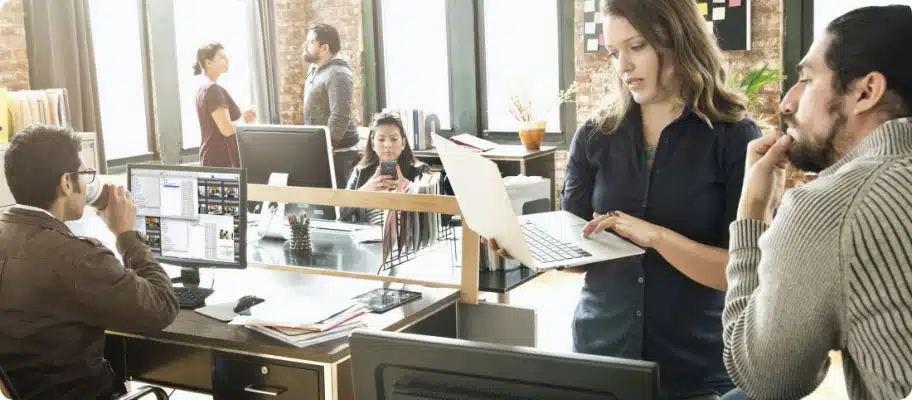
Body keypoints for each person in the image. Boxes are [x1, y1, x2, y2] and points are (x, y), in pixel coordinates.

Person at [487, 0, 760, 397]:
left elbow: (740, 272)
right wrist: (526, 248)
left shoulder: (735, 139)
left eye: (637, 47)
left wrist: (657, 237)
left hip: (695, 368)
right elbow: (579, 253)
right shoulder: (595, 136)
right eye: (614, 52)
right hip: (601, 359)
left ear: (680, 40)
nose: (623, 66)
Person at [722, 5, 912, 400]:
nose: (787, 104)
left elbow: (764, 378)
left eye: (807, 79)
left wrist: (752, 208)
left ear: (865, 92)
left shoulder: (831, 208)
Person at [0, 125, 178, 399]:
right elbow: (161, 306)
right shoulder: (75, 257)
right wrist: (126, 234)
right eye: (85, 174)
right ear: (67, 183)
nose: (88, 185)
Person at [338, 112, 429, 225]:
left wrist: (407, 189)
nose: (388, 145)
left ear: (403, 143)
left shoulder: (420, 171)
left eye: (394, 139)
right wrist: (366, 190)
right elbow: (340, 213)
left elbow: (433, 216)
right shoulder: (360, 172)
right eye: (381, 140)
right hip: (368, 237)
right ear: (373, 144)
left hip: (407, 238)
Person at [302, 23, 360, 187]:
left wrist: (325, 149)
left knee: (341, 207)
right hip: (323, 150)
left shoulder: (338, 74)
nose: (305, 45)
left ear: (324, 48)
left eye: (311, 42)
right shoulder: (314, 68)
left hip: (339, 154)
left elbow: (340, 117)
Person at [194, 42, 255, 168]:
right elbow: (226, 129)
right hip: (219, 161)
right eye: (221, 57)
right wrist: (245, 119)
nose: (226, 60)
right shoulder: (213, 90)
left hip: (212, 159)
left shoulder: (202, 89)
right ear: (208, 63)